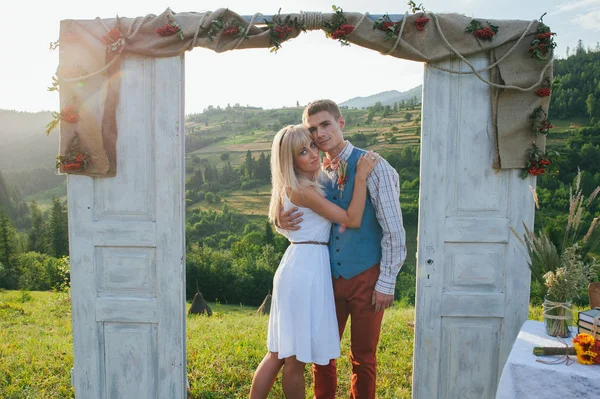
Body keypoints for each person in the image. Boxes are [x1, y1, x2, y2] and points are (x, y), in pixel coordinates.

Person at [279, 99, 406, 399]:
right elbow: (296, 205)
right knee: (323, 355)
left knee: (363, 357)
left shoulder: (374, 166)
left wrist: (387, 282)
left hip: (367, 277)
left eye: (325, 124)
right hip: (326, 279)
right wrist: (279, 220)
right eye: (313, 129)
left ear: (340, 123)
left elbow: (395, 232)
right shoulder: (315, 172)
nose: (320, 134)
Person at [249, 124, 380, 399]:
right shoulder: (303, 190)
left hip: (302, 263)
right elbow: (352, 219)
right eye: (302, 152)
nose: (312, 154)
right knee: (291, 358)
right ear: (290, 161)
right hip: (305, 270)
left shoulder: (304, 184)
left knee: (279, 352)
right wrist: (361, 178)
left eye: (312, 146)